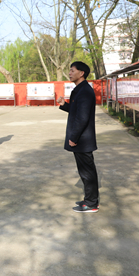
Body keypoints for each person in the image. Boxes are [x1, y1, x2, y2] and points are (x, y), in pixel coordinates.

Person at [58, 62, 99, 213]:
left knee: (87, 172)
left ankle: (91, 203)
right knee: (85, 171)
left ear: (81, 73)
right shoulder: (80, 90)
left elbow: (82, 118)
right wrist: (64, 104)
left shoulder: (85, 91)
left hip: (82, 140)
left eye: (72, 70)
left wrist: (74, 137)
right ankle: (89, 199)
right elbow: (76, 111)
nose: (69, 73)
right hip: (81, 139)